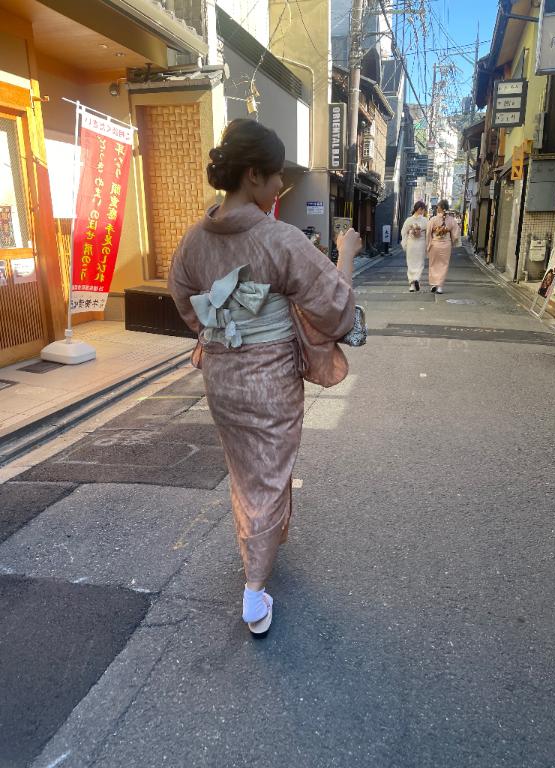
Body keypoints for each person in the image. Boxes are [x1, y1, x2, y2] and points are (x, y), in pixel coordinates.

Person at [168, 119, 361, 636]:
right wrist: (345, 255)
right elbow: (336, 308)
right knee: (270, 476)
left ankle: (264, 542)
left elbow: (185, 300)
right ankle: (254, 592)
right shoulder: (279, 239)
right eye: (276, 176)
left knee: (247, 471)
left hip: (222, 378)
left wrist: (219, 332)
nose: (280, 186)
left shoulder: (194, 240)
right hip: (270, 380)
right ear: (253, 175)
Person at [426, 198, 459, 294]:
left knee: (433, 264)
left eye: (437, 207)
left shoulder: (433, 219)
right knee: (444, 265)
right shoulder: (451, 220)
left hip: (435, 244)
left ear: (439, 208)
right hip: (446, 245)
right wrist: (452, 241)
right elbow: (456, 234)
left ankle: (433, 284)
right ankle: (440, 286)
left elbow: (428, 233)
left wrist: (428, 244)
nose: (436, 208)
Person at [400, 201, 428, 292]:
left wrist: (405, 242)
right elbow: (428, 233)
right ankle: (416, 278)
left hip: (411, 244)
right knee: (420, 263)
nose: (423, 212)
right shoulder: (425, 220)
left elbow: (403, 232)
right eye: (423, 210)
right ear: (420, 209)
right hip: (421, 244)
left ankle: (412, 285)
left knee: (411, 263)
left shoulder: (409, 220)